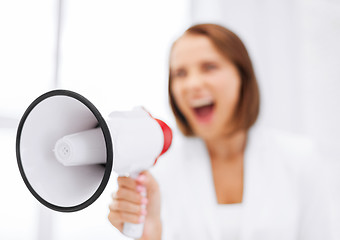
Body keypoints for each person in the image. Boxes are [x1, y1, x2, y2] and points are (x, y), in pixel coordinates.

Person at [107, 23, 332, 240]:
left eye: (209, 67)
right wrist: (150, 237)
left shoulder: (301, 160)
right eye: (180, 73)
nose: (192, 84)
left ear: (242, 77)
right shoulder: (158, 173)